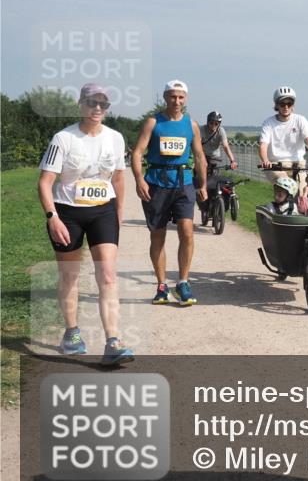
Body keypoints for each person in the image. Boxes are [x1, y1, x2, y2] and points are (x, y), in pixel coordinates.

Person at [37, 83, 134, 366]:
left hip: (102, 211)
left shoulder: (115, 138)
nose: (97, 109)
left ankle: (113, 341)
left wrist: (118, 213)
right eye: (92, 102)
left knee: (108, 276)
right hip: (68, 214)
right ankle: (72, 333)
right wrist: (52, 217)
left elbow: (117, 178)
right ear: (81, 104)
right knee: (70, 276)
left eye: (103, 104)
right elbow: (45, 182)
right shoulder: (63, 139)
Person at [131, 80, 208, 306]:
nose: (177, 101)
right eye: (173, 96)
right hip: (156, 183)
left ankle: (183, 282)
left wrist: (202, 184)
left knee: (187, 231)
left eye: (181, 97)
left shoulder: (191, 125)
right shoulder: (153, 122)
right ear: (165, 97)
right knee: (158, 235)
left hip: (183, 183)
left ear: (186, 99)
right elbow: (137, 153)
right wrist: (139, 180)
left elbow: (200, 156)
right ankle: (162, 285)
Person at [258, 86, 308, 191]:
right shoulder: (268, 123)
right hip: (276, 166)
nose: (286, 107)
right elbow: (263, 146)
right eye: (282, 104)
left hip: (298, 165)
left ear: (293, 105)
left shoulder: (300, 120)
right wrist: (266, 160)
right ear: (276, 105)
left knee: (305, 193)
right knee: (287, 185)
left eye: (289, 103)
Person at [197, 110, 237, 218]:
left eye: (216, 123)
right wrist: (200, 159)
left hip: (215, 158)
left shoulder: (221, 131)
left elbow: (225, 146)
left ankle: (216, 203)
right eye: (212, 123)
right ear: (208, 122)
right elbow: (198, 145)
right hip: (202, 155)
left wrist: (232, 160)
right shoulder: (202, 129)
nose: (214, 125)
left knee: (215, 181)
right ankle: (203, 203)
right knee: (200, 181)